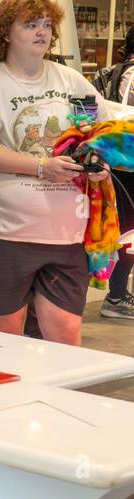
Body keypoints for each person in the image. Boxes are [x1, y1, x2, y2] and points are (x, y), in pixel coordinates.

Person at [0, 0, 109, 346]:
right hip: (1, 230)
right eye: (30, 24)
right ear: (5, 32)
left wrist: (99, 161)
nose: (41, 32)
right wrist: (41, 167)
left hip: (64, 233)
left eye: (47, 25)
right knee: (7, 330)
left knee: (66, 332)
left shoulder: (71, 82)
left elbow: (95, 132)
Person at [92, 26, 134, 320]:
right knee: (128, 232)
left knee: (120, 228)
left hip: (113, 160)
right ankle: (116, 296)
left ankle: (117, 293)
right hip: (128, 162)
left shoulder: (110, 73)